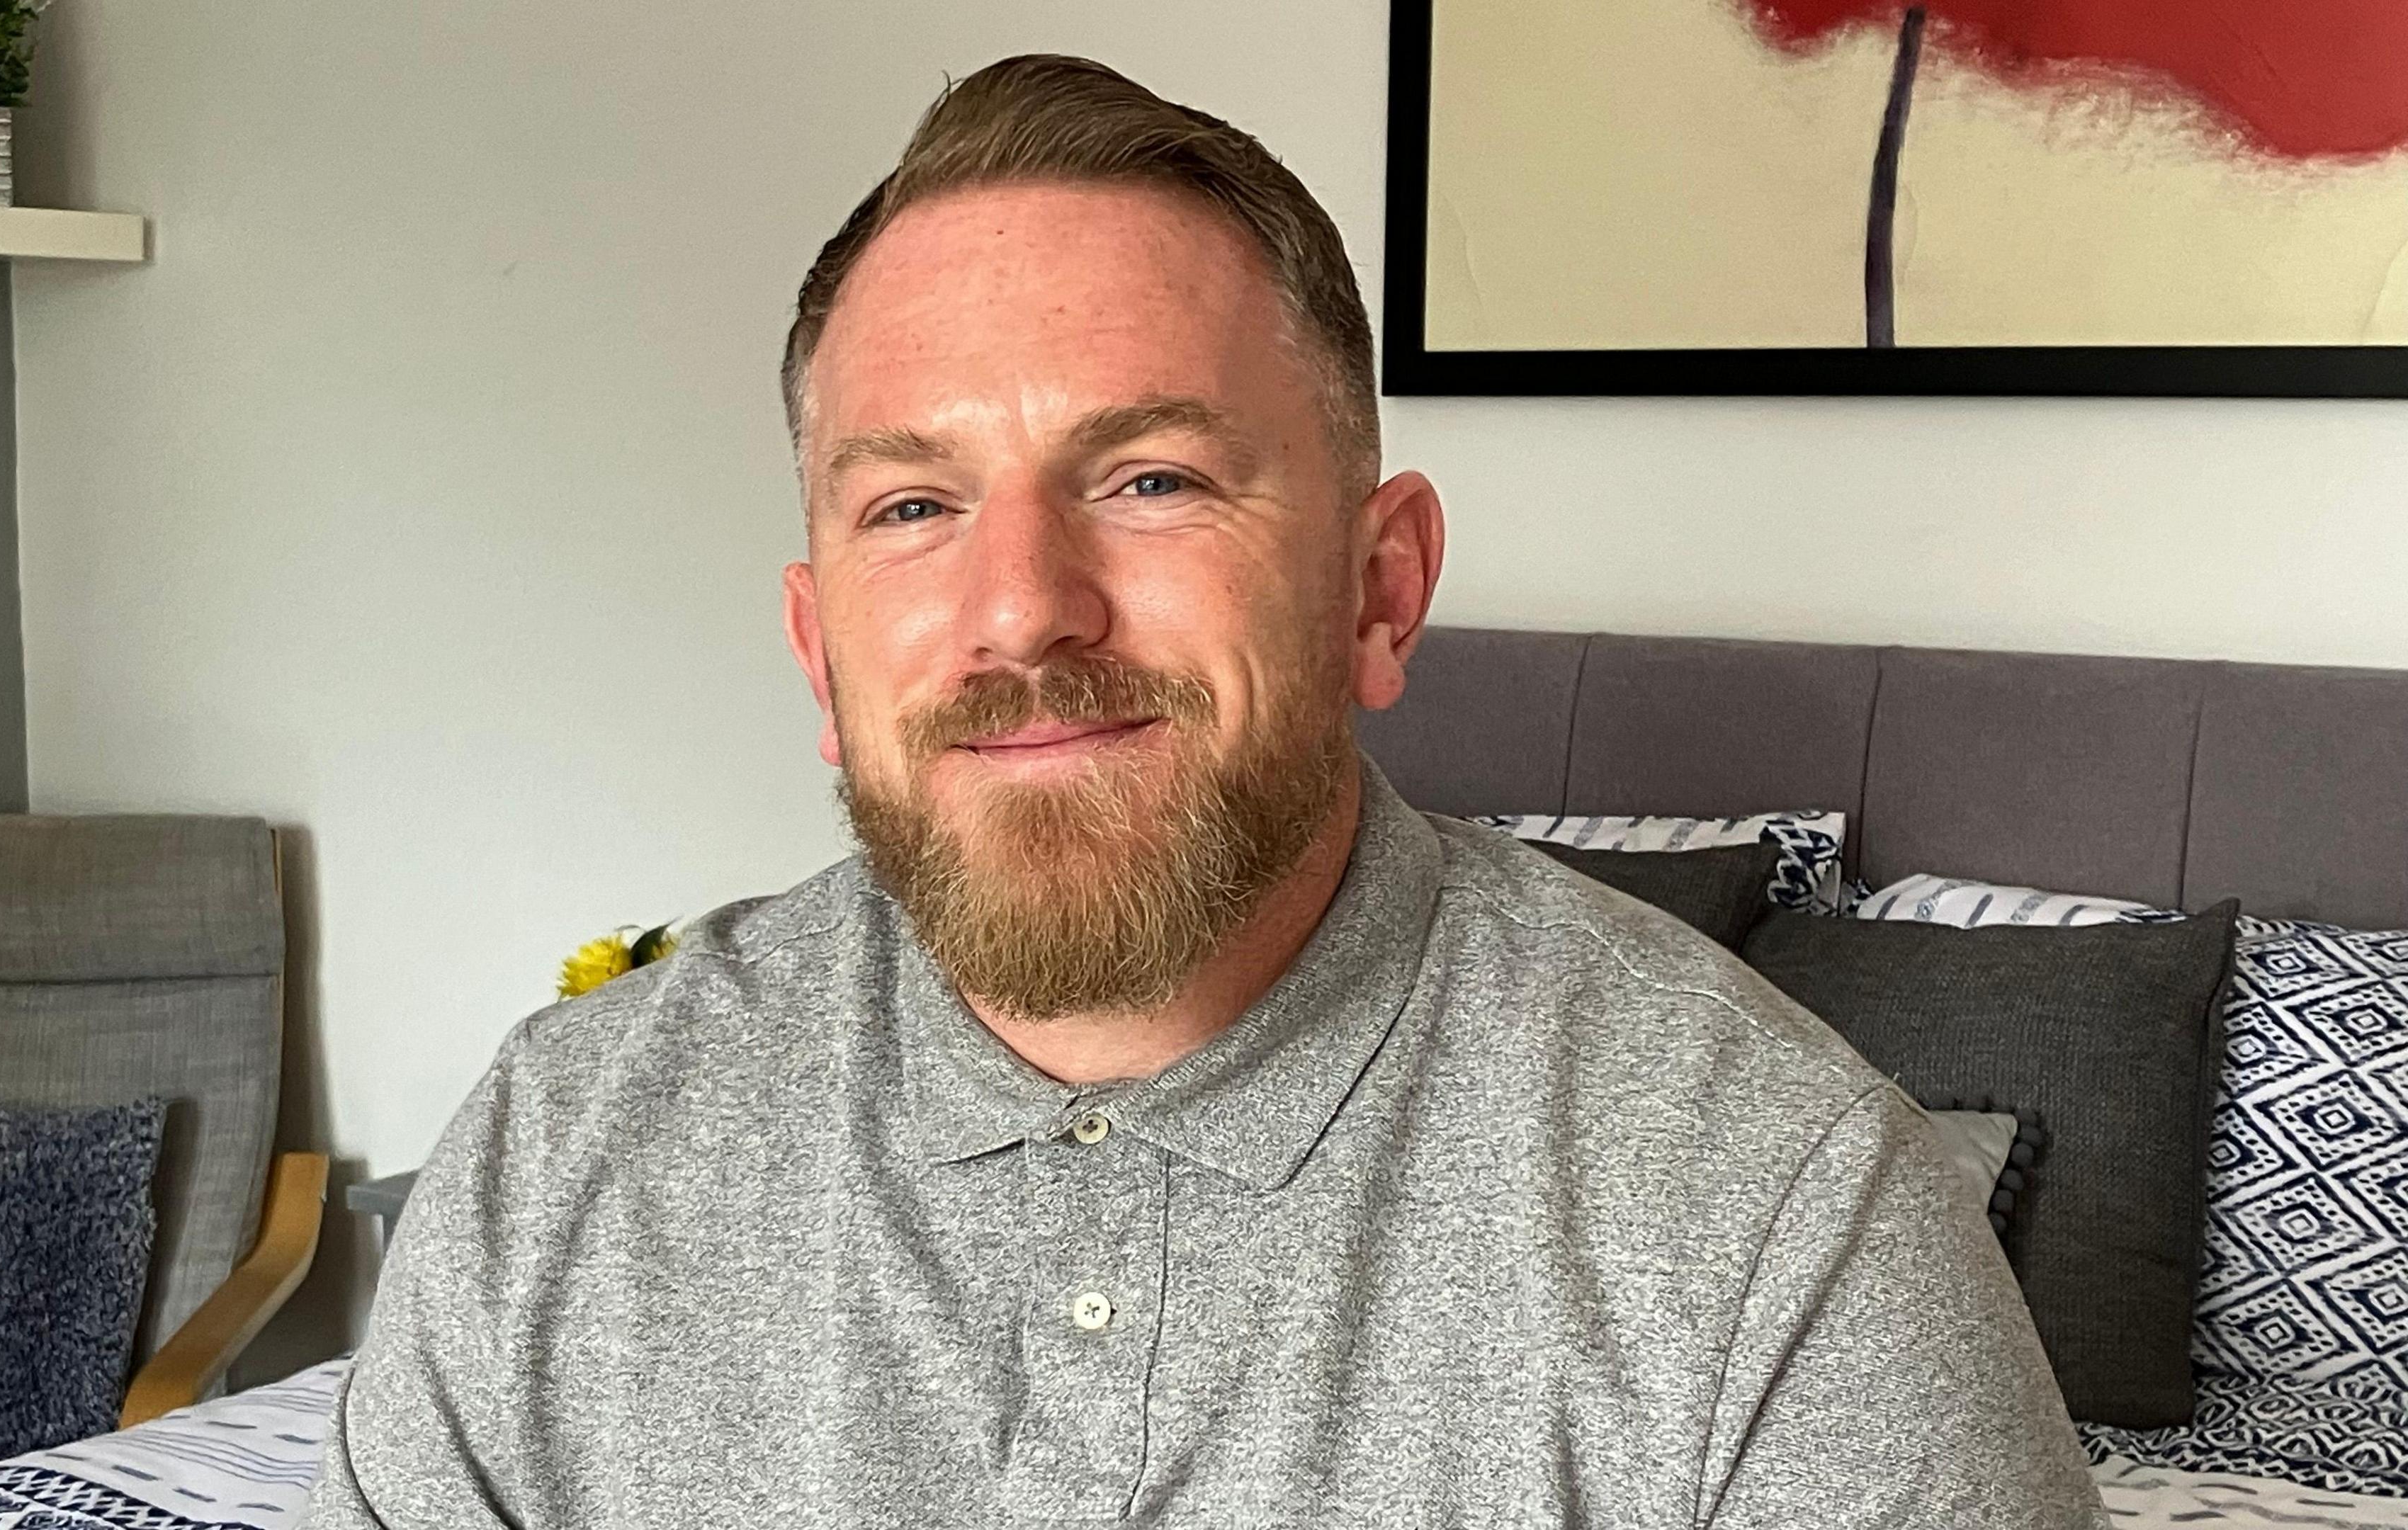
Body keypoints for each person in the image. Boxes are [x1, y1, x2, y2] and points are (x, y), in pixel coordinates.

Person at [304, 54, 2101, 1529]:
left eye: (1152, 477)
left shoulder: (1781, 1222)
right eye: (913, 507)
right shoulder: (566, 1153)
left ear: (1379, 589)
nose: (1021, 610)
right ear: (820, 652)